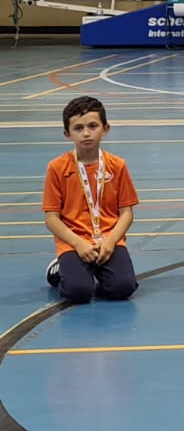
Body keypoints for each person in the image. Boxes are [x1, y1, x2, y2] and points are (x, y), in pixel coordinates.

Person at [42, 96, 139, 304]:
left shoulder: (117, 165)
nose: (86, 133)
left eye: (93, 126)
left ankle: (96, 271)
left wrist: (111, 241)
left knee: (123, 288)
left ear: (105, 129)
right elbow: (51, 218)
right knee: (78, 292)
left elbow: (126, 213)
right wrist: (78, 243)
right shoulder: (57, 168)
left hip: (108, 240)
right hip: (73, 242)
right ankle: (61, 267)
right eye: (78, 128)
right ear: (67, 134)